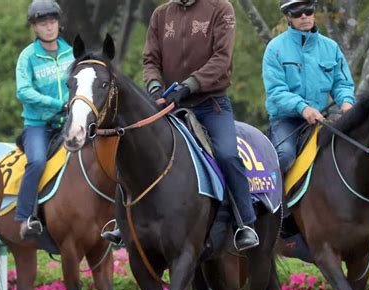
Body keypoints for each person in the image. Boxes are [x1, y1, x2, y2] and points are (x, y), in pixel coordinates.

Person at [102, 0, 259, 252]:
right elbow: (150, 60)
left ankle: (245, 223)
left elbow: (221, 58)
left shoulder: (221, 8)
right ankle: (124, 222)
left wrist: (189, 85)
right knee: (134, 150)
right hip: (167, 104)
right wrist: (154, 87)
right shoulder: (160, 14)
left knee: (227, 155)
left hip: (210, 104)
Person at [262, 0, 355, 256]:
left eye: (309, 11)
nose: (304, 16)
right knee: (284, 156)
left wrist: (347, 103)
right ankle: (278, 220)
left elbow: (343, 84)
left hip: (325, 118)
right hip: (288, 120)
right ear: (288, 17)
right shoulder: (275, 49)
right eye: (297, 13)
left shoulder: (331, 48)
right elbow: (276, 91)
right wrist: (303, 108)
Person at [15, 0, 74, 240]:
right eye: (42, 23)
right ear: (35, 27)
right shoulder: (27, 57)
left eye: (52, 22)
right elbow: (23, 91)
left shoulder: (70, 52)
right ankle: (25, 217)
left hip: (70, 122)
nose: (49, 27)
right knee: (37, 161)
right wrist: (56, 104)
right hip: (39, 126)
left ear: (59, 24)